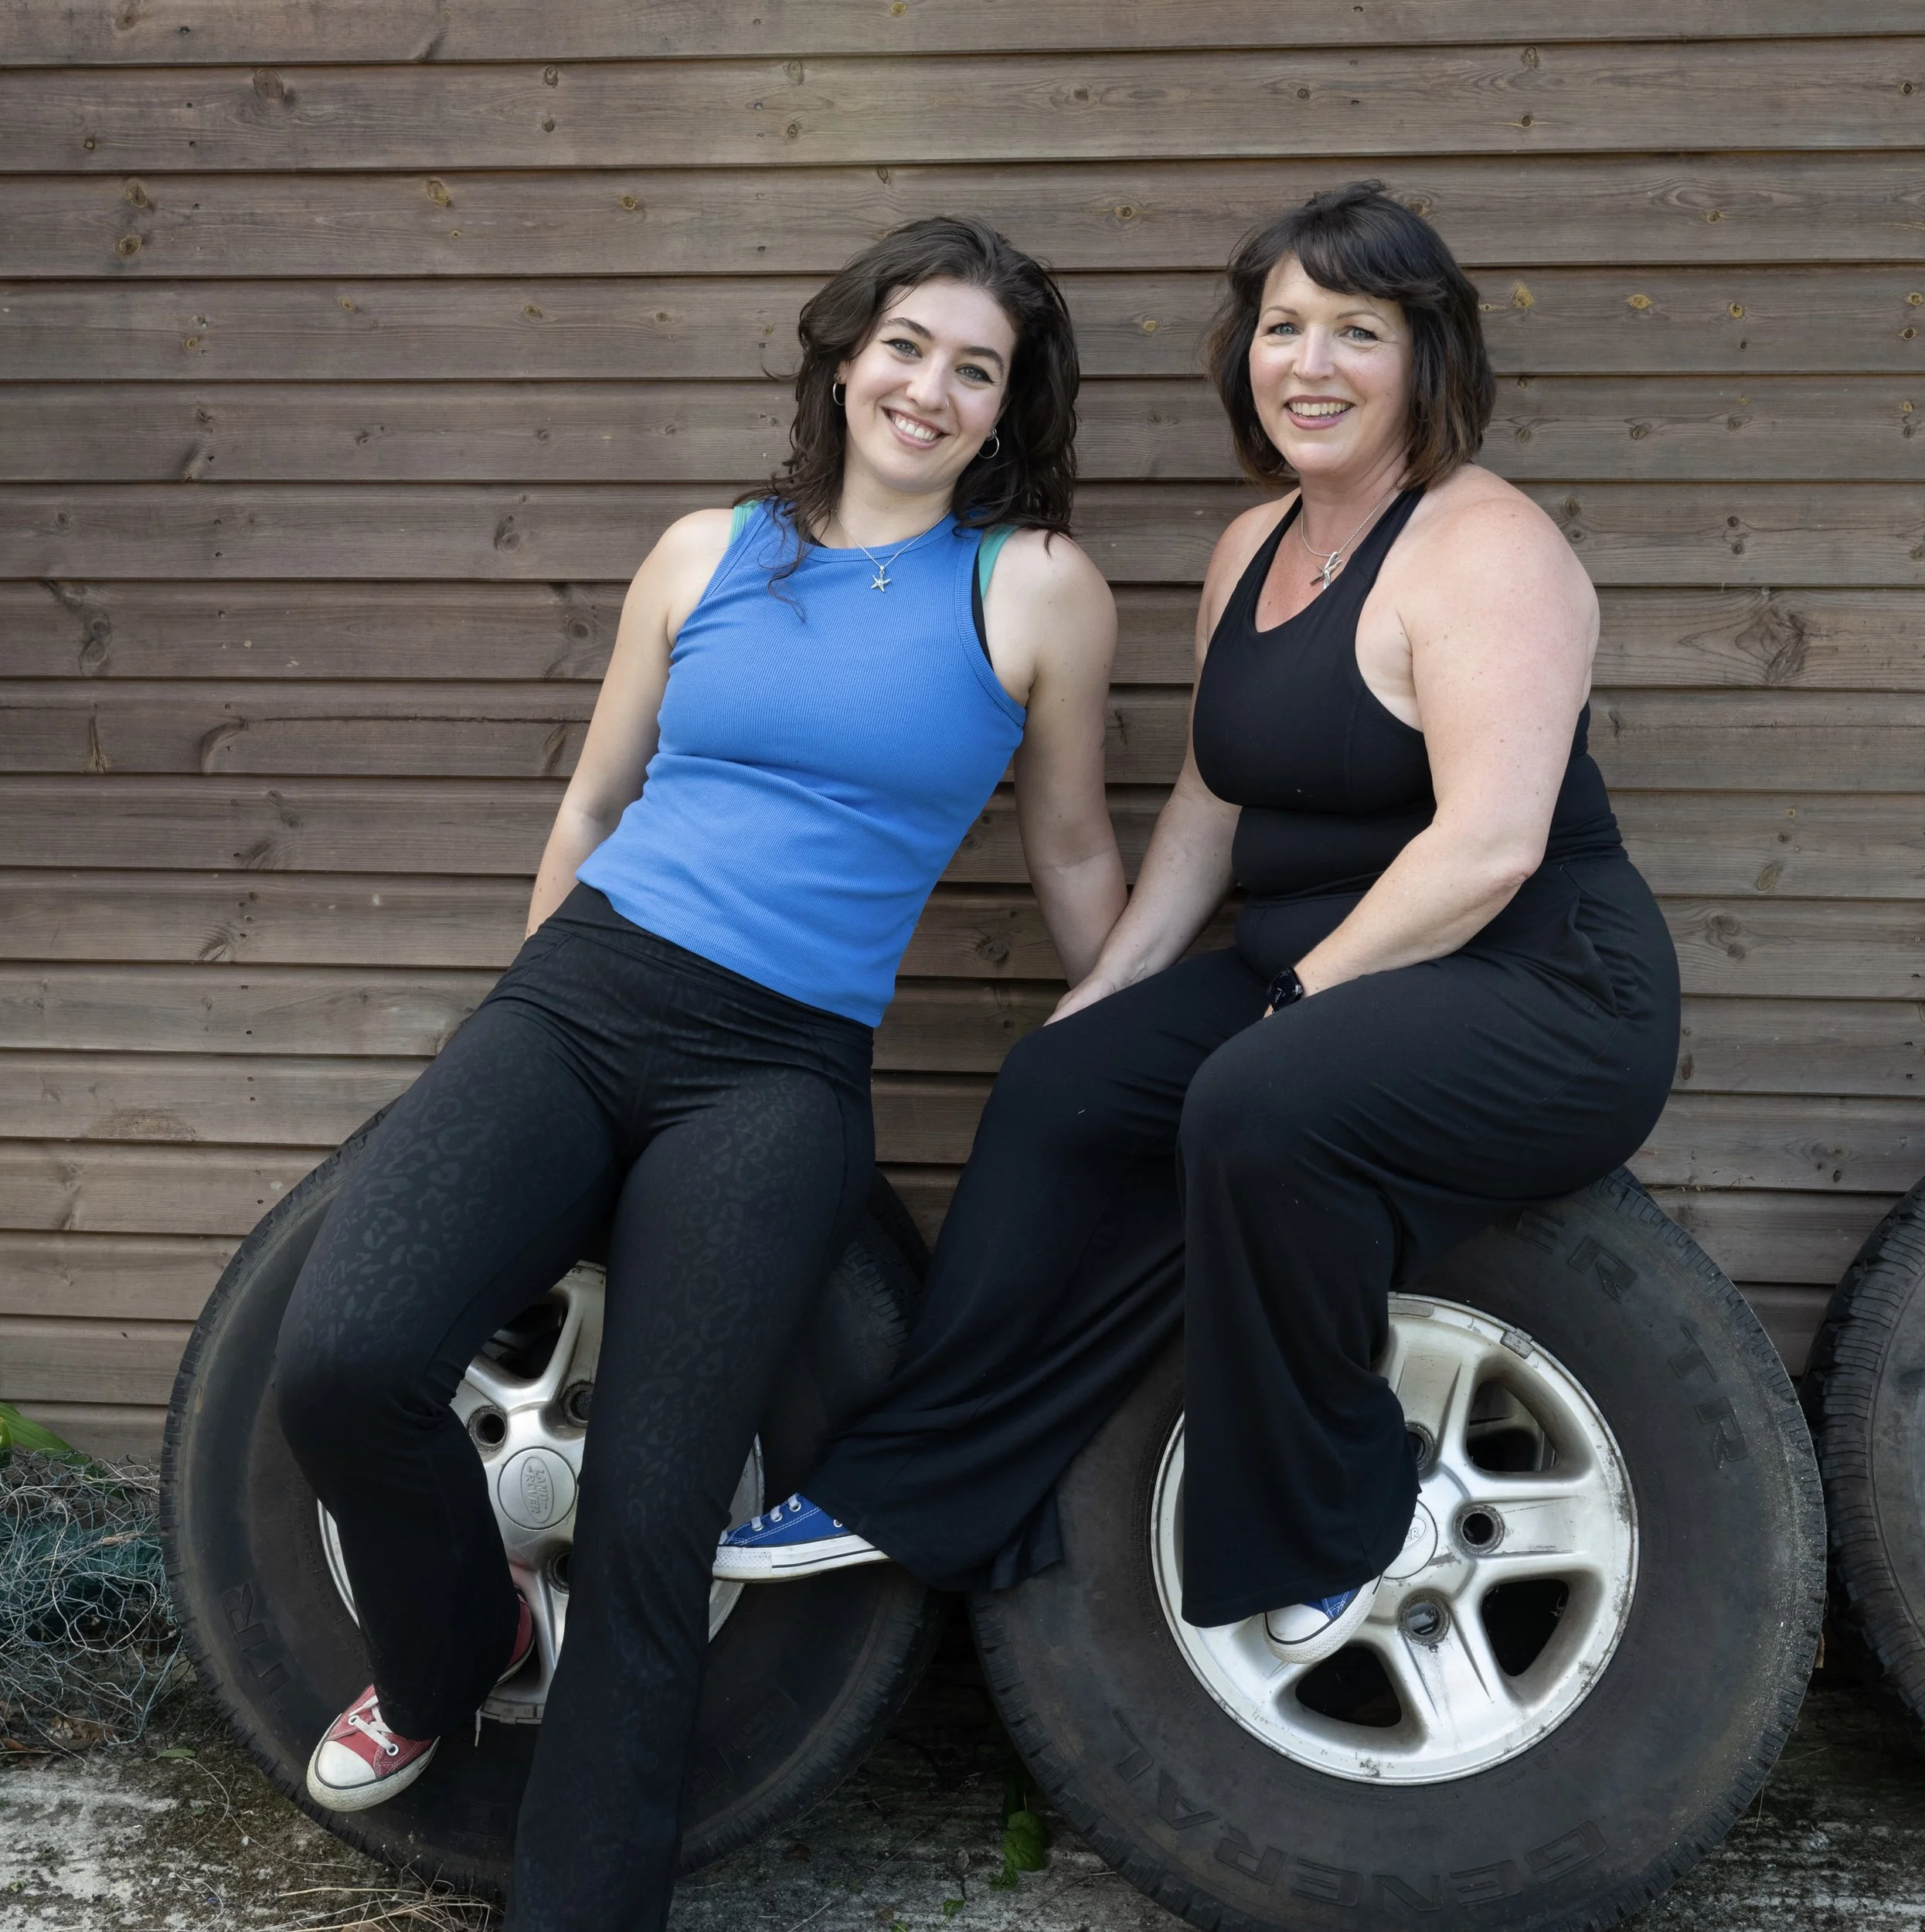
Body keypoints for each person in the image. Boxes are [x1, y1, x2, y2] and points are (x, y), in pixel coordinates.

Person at [270, 216, 1124, 1930]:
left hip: (778, 1069)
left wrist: (1122, 1030)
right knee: (343, 1356)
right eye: (906, 345)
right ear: (841, 351)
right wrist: (527, 1015)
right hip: (580, 1003)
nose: (930, 388)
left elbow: (1075, 850)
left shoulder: (1032, 586)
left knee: (656, 1523)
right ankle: (452, 1647)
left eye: (976, 367)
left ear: (1007, 406)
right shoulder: (702, 550)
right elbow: (590, 806)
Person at [718, 182, 1679, 1665]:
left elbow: (1489, 845)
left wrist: (1298, 1005)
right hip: (1334, 977)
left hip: (1541, 984)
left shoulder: (1484, 547)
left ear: (1428, 356)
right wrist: (1111, 986)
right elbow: (1209, 808)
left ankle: (1338, 1519)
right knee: (1065, 1081)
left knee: (1257, 1095)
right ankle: (914, 1488)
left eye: (1357, 331)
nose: (1311, 363)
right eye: (1283, 327)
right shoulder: (1252, 549)